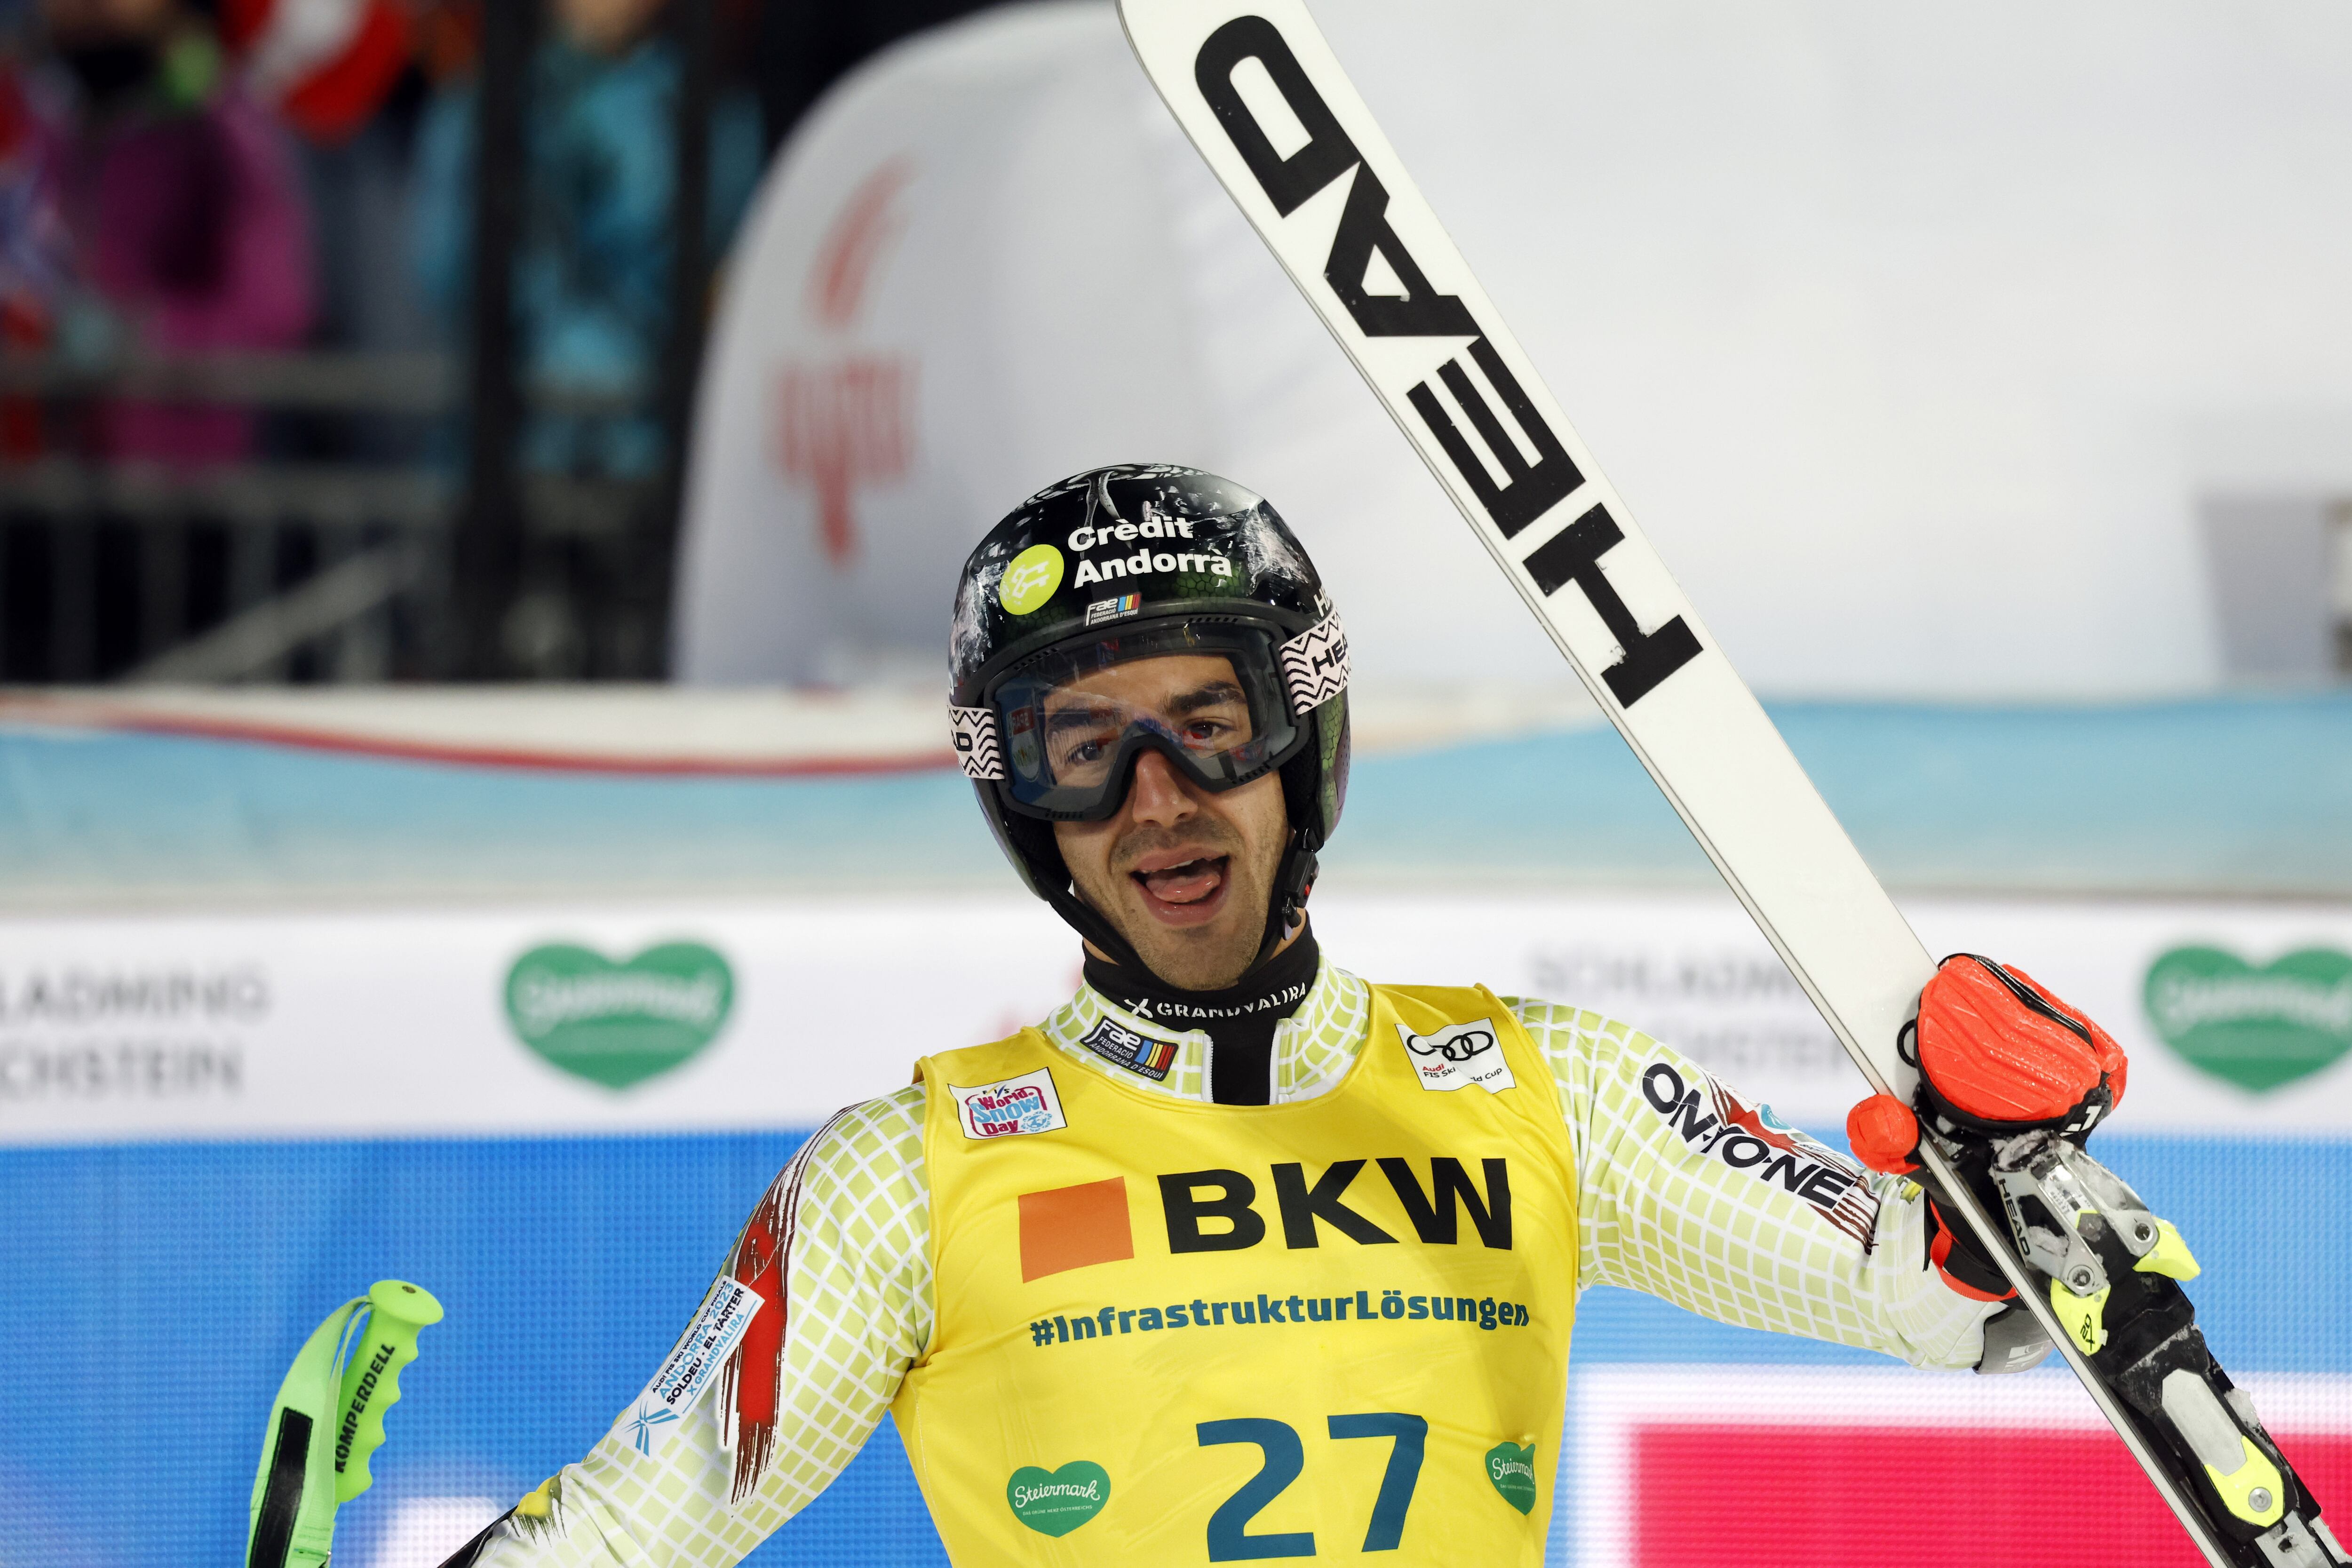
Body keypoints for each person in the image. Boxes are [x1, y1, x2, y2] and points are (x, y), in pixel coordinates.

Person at [442, 464, 2130, 1567]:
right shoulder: (906, 1178)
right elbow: (624, 1530)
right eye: (1082, 746)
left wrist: (2009, 1174)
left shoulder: (1547, 1096)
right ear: (1023, 801)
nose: (1158, 798)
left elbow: (1940, 1297)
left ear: (1302, 739)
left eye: (1207, 717)